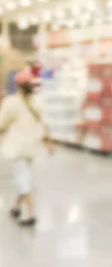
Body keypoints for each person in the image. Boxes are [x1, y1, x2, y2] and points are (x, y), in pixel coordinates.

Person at [0, 69, 54, 226]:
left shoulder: (11, 102)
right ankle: (16, 207)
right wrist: (48, 141)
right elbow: (44, 122)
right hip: (32, 147)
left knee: (23, 180)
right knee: (22, 177)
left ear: (16, 85)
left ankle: (31, 215)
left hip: (18, 148)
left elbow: (2, 123)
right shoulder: (39, 101)